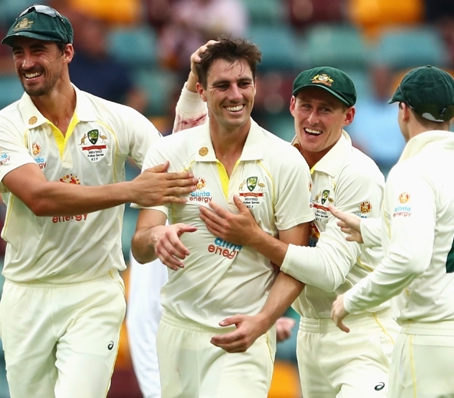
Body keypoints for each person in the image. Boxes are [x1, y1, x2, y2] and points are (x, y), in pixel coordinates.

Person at [0, 5, 197, 398]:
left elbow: (171, 162)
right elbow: (40, 198)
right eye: (18, 52)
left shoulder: (118, 119)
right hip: (26, 293)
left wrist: (151, 226)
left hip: (94, 292)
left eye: (38, 50)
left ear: (67, 53)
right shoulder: (1, 125)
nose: (26, 62)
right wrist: (132, 191)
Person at [168, 51, 400, 394]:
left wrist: (254, 238)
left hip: (362, 332)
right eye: (306, 106)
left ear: (348, 115)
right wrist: (192, 82)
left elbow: (329, 271)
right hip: (310, 330)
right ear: (291, 106)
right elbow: (187, 143)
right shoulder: (280, 160)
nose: (313, 119)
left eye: (326, 110)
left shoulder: (357, 174)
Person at [130, 37, 314, 398]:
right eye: (222, 85)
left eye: (244, 84)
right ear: (201, 89)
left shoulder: (285, 160)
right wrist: (156, 238)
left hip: (242, 334)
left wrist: (263, 321)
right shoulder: (169, 152)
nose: (236, 95)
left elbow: (299, 262)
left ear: (255, 86)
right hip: (177, 334)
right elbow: (140, 245)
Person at [330, 65, 454, 397]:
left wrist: (352, 299)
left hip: (432, 337)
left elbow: (411, 259)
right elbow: (444, 234)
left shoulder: (411, 171)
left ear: (403, 110)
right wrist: (372, 230)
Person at [125, 255, 298, 398]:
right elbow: (143, 316)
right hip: (178, 364)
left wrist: (262, 320)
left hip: (234, 359)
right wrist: (155, 391)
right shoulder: (166, 220)